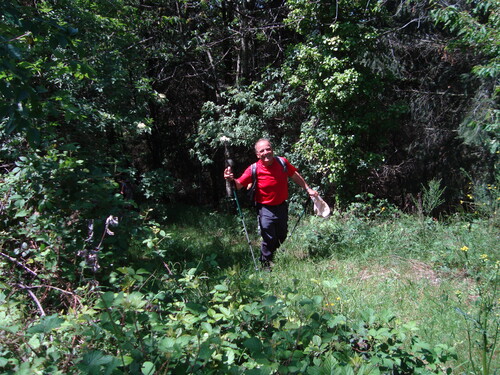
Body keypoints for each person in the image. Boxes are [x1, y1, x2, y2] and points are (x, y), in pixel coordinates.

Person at [224, 138, 318, 269]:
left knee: (281, 235)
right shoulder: (254, 168)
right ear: (258, 155)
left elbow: (294, 175)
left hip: (281, 205)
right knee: (269, 237)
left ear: (272, 150)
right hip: (264, 208)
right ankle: (265, 264)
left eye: (268, 149)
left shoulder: (282, 162)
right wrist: (230, 179)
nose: (266, 152)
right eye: (262, 150)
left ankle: (270, 254)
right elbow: (238, 185)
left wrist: (307, 188)